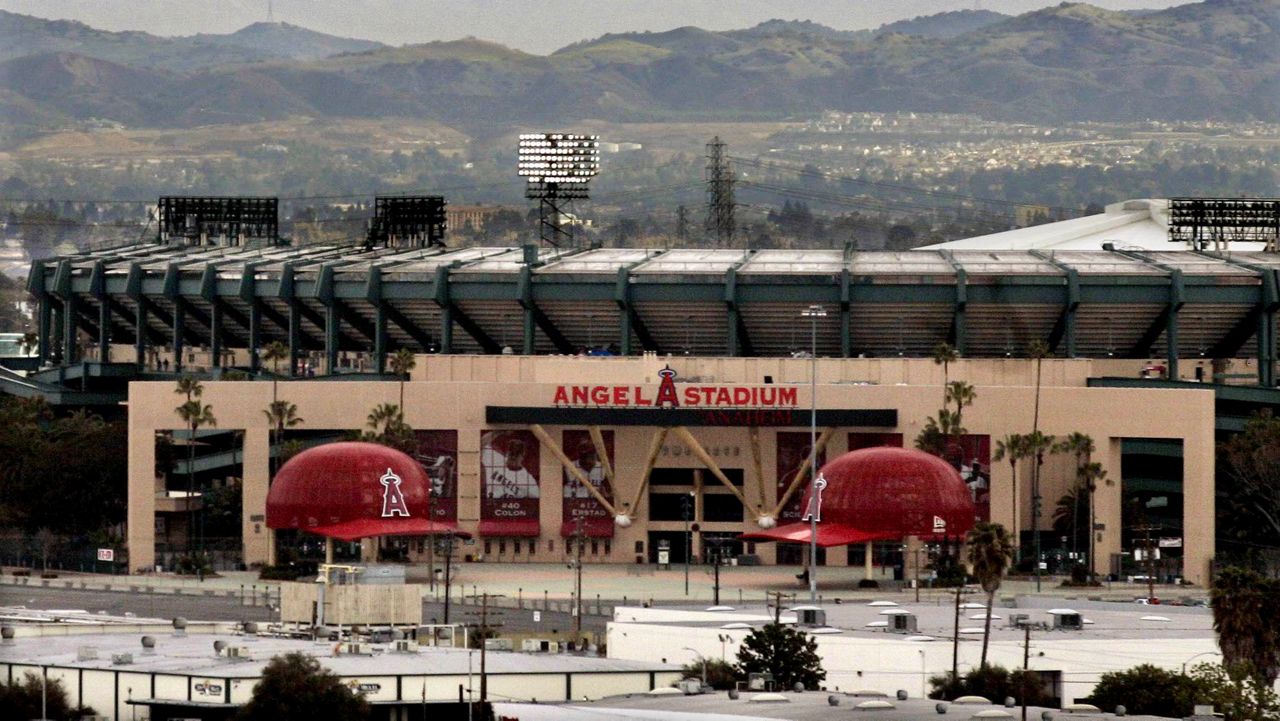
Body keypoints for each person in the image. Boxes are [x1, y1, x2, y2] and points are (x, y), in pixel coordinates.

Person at [482, 431, 539, 499]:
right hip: (489, 504)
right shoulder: (495, 459)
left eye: (517, 454)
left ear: (522, 456)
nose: (513, 457)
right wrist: (497, 432)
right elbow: (481, 444)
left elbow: (537, 500)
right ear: (507, 453)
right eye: (512, 453)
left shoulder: (528, 480)